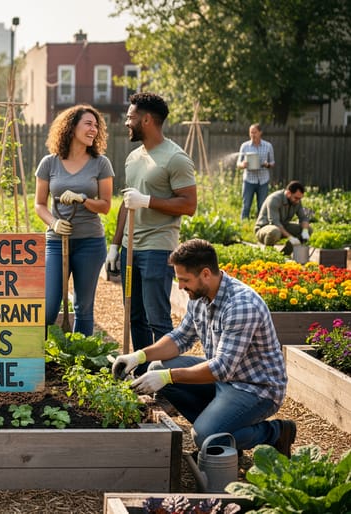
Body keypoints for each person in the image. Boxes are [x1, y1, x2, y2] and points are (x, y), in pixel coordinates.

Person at [111, 239, 296, 457]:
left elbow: (221, 369)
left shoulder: (241, 305)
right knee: (155, 368)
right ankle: (222, 430)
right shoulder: (199, 296)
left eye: (184, 280)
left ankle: (275, 432)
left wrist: (168, 376)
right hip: (224, 381)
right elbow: (180, 338)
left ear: (206, 274)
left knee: (204, 436)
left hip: (255, 388)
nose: (180, 286)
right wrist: (139, 356)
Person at [107, 93, 197, 374]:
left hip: (158, 249)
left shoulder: (175, 158)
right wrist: (114, 245)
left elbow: (189, 205)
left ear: (147, 120)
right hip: (130, 248)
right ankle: (142, 374)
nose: (126, 122)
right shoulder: (134, 157)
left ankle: (165, 381)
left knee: (157, 317)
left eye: (131, 117)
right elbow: (126, 203)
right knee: (135, 315)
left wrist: (147, 201)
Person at [34, 105, 113, 336]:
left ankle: (79, 363)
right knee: (48, 308)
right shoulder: (49, 163)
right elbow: (39, 204)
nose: (94, 129)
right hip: (56, 242)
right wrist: (53, 223)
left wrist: (84, 199)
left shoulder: (101, 163)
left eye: (96, 125)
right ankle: (40, 358)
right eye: (88, 124)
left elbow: (106, 206)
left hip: (90, 242)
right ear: (71, 127)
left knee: (83, 308)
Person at [254, 180, 311, 255]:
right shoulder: (274, 199)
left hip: (283, 227)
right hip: (265, 229)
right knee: (275, 231)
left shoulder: (297, 201)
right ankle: (268, 255)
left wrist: (305, 231)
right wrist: (291, 238)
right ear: (288, 193)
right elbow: (275, 223)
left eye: (300, 199)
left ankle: (284, 255)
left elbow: (303, 218)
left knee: (309, 229)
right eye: (296, 198)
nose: (298, 201)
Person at [236, 124, 275, 220]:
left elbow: (273, 162)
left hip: (263, 181)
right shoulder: (244, 146)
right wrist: (243, 165)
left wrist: (267, 165)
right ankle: (244, 226)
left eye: (255, 132)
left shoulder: (268, 146)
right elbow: (238, 163)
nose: (252, 135)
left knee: (262, 206)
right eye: (251, 132)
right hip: (249, 180)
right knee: (246, 205)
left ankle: (261, 225)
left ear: (260, 133)